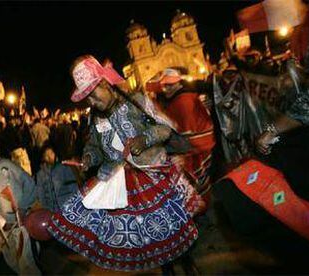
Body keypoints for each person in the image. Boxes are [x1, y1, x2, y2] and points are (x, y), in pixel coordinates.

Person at [48, 55, 202, 273]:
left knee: (174, 233)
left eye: (92, 95)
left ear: (104, 84)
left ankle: (189, 266)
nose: (91, 102)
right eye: (86, 98)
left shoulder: (135, 101)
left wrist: (144, 139)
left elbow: (165, 128)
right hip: (124, 184)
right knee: (153, 236)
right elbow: (95, 147)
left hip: (153, 176)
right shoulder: (95, 118)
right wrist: (88, 159)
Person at [0, 133, 40, 274]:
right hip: (1, 228)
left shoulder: (8, 165)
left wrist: (22, 208)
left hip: (18, 223)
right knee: (11, 259)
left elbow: (29, 184)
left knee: (26, 262)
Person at [147, 68, 215, 203]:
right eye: (165, 85)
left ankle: (207, 208)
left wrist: (181, 154)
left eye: (170, 85)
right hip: (197, 144)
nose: (167, 89)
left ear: (179, 83)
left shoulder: (183, 101)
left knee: (198, 183)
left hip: (198, 146)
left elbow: (186, 134)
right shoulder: (178, 98)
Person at [36, 146, 78, 212]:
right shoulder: (41, 174)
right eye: (46, 155)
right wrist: (46, 208)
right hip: (52, 210)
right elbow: (41, 194)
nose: (50, 157)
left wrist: (73, 203)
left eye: (51, 153)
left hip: (66, 206)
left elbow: (73, 186)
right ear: (43, 158)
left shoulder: (64, 168)